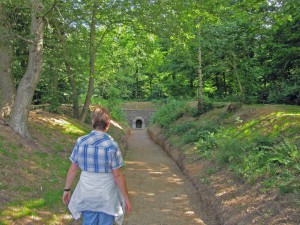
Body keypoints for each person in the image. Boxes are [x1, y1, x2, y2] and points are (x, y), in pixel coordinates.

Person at [62, 105, 131, 225]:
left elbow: (73, 168)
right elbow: (117, 175)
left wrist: (67, 189)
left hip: (87, 192)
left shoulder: (81, 142)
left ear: (93, 121)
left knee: (88, 221)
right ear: (108, 124)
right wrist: (126, 198)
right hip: (106, 194)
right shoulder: (111, 145)